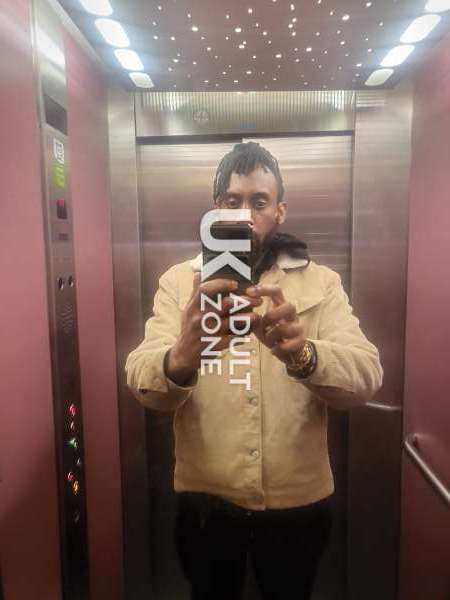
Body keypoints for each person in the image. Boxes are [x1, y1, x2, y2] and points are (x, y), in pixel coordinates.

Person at [125, 142, 383, 600]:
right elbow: (141, 380)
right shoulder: (180, 283)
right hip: (205, 504)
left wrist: (304, 355)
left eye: (259, 202)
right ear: (216, 209)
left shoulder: (321, 283)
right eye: (232, 201)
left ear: (280, 210)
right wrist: (182, 355)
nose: (245, 215)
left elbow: (367, 375)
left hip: (298, 507)